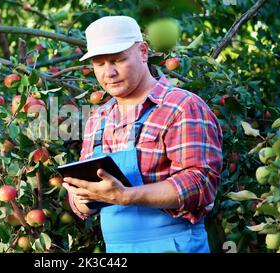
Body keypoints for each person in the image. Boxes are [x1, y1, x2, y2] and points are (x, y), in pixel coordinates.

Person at [62, 16, 223, 253]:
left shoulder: (181, 106)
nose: (110, 73)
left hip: (175, 246)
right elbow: (84, 207)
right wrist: (81, 197)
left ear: (143, 52)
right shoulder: (98, 119)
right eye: (100, 63)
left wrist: (126, 196)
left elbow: (201, 183)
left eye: (118, 60)